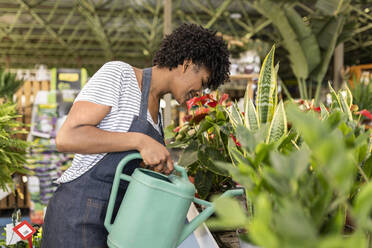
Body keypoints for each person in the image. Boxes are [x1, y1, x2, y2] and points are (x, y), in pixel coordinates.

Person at [41, 23, 230, 247]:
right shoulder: (120, 75)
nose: (200, 93)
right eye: (203, 83)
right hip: (77, 217)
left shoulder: (157, 117)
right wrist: (139, 141)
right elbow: (67, 137)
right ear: (187, 64)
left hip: (115, 226)